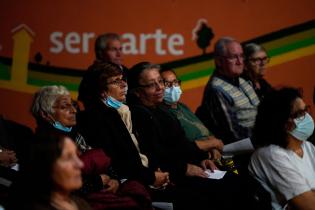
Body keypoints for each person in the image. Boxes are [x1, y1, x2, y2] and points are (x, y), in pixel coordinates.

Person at [127, 61, 253, 210]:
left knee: (240, 177)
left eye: (160, 81)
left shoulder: (164, 110)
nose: (160, 87)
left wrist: (201, 160)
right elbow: (158, 155)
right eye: (151, 84)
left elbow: (182, 145)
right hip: (174, 176)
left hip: (200, 163)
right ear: (136, 91)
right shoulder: (139, 115)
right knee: (231, 183)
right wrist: (185, 167)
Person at [31, 85, 152, 210]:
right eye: (64, 107)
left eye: (73, 105)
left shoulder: (81, 132)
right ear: (45, 114)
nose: (73, 110)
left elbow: (109, 163)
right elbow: (55, 184)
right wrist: (98, 181)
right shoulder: (43, 145)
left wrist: (115, 180)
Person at [77, 62, 170, 198]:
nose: (124, 85)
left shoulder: (116, 111)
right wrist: (151, 177)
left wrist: (154, 172)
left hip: (143, 177)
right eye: (116, 81)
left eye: (122, 79)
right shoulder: (97, 118)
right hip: (127, 184)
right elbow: (121, 161)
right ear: (101, 90)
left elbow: (137, 153)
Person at [248, 87, 315, 210]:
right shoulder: (271, 154)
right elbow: (309, 205)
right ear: (283, 122)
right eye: (300, 113)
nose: (307, 116)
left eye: (306, 110)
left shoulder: (307, 146)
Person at [196, 37, 260, 144]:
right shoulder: (216, 89)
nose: (240, 62)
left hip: (261, 141)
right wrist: (266, 135)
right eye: (234, 57)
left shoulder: (243, 80)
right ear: (219, 61)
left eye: (241, 56)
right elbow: (234, 134)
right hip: (244, 151)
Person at [6, 131, 92, 210]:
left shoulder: (80, 203)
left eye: (77, 155)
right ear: (44, 166)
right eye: (68, 157)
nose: (80, 164)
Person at [160, 68, 224, 160]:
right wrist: (212, 144)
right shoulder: (163, 114)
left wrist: (214, 146)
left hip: (216, 153)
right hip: (201, 159)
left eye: (175, 82)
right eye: (167, 84)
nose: (173, 87)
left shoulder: (182, 106)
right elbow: (183, 147)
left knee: (237, 170)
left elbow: (205, 132)